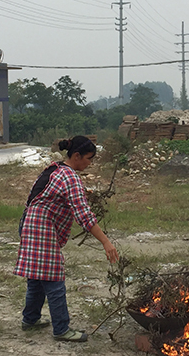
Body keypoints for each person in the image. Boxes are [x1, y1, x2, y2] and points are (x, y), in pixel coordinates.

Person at [15, 136, 119, 343]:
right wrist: (106, 242)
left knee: (37, 278)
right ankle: (61, 328)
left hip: (29, 223)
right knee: (53, 279)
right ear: (77, 156)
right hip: (41, 229)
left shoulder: (55, 169)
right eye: (89, 158)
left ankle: (30, 319)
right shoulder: (69, 177)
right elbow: (84, 216)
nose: (90, 163)